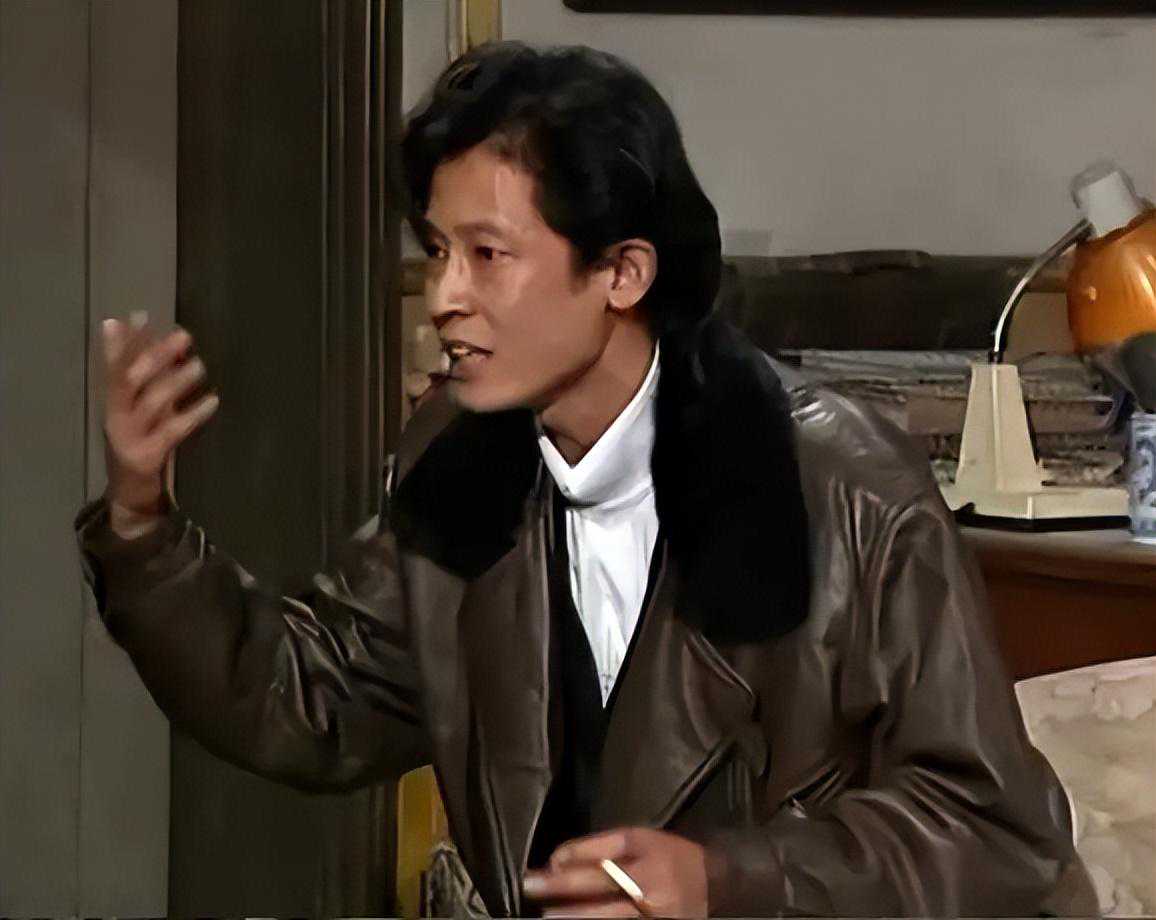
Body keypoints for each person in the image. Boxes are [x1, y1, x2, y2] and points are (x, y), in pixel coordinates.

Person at [77, 41, 1097, 918]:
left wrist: (731, 881)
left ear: (622, 273)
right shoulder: (459, 461)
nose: (445, 296)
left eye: (488, 254)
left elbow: (995, 828)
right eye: (436, 250)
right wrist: (141, 523)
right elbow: (309, 698)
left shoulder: (841, 486)